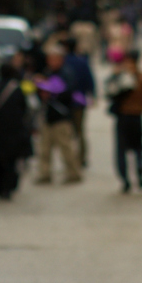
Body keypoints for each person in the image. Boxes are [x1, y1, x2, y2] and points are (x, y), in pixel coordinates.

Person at [105, 50, 142, 193]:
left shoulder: (124, 77)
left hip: (126, 116)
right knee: (137, 148)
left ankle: (127, 178)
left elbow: (109, 92)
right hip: (135, 116)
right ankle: (137, 175)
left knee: (123, 149)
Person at [0, 62, 32, 200]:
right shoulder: (18, 90)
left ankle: (0, 188)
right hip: (14, 132)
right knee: (11, 161)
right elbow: (24, 110)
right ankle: (9, 188)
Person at [35, 47, 82, 185]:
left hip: (62, 116)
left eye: (54, 59)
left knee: (66, 147)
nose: (51, 62)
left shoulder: (66, 73)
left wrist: (50, 89)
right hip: (48, 115)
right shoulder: (47, 72)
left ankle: (73, 173)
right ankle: (44, 174)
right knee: (44, 149)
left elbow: (69, 92)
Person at [62, 37, 96, 168]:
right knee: (80, 131)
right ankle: (81, 158)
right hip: (79, 100)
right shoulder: (82, 61)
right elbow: (89, 80)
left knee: (67, 131)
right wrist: (92, 95)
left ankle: (70, 157)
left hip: (66, 100)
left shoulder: (63, 61)